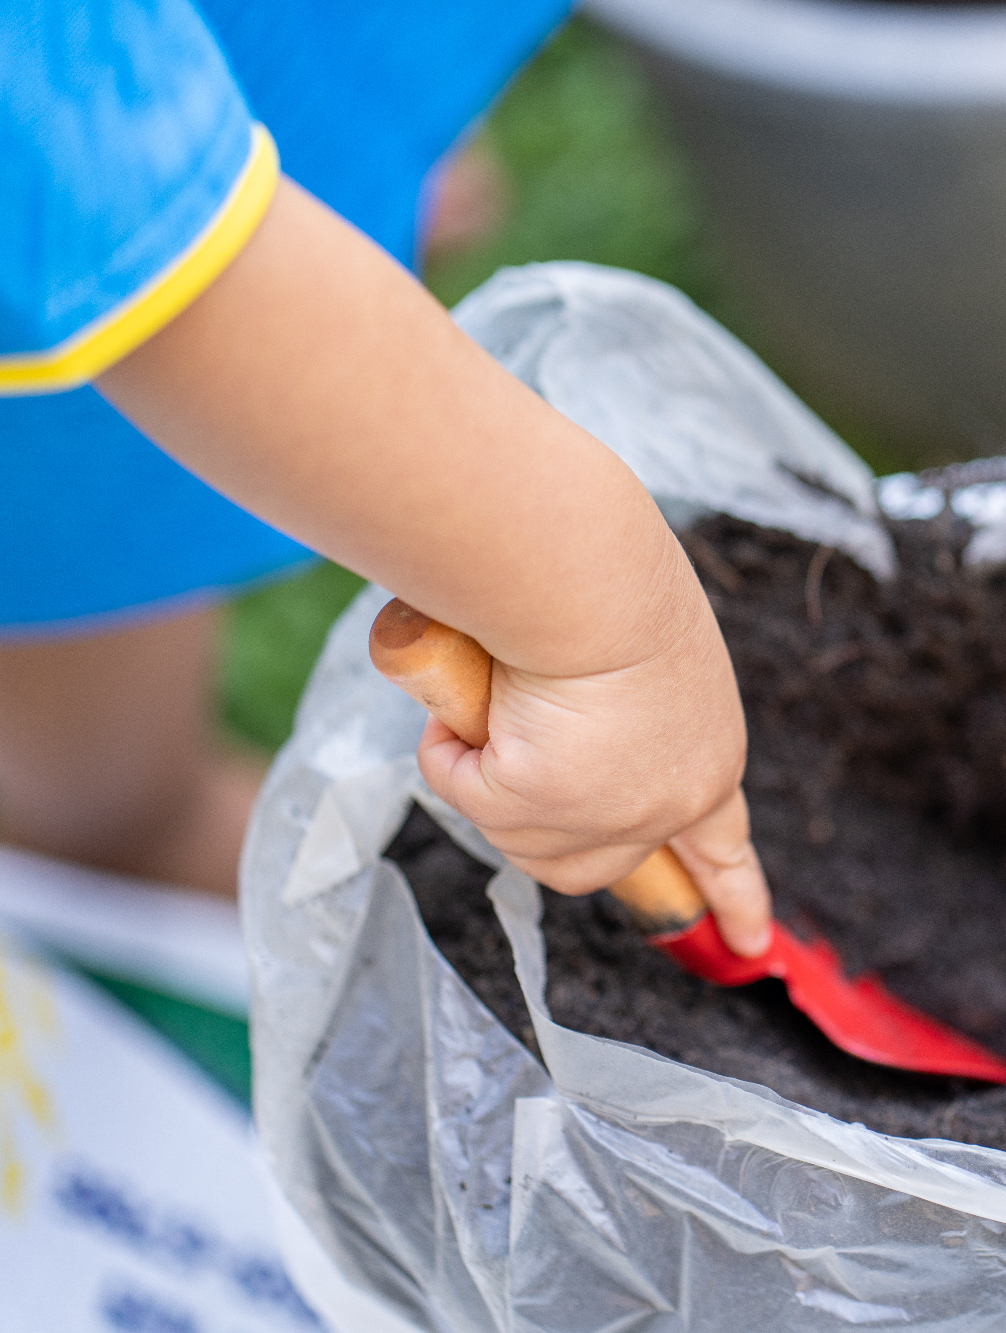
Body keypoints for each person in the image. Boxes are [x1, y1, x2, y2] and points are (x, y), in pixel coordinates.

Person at [1, 0, 774, 956]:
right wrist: (599, 617)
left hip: (232, 63)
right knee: (85, 703)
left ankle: (327, 158)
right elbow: (88, 204)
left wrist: (360, 129)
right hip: (75, 316)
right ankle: (116, 831)